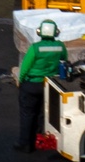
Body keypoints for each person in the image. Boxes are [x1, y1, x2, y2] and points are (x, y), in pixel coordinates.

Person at [14, 19, 67, 153]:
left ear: (39, 32)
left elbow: (25, 66)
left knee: (27, 114)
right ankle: (40, 140)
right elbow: (64, 61)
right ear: (56, 32)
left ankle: (25, 143)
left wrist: (20, 81)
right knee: (43, 114)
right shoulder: (60, 47)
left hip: (31, 84)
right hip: (49, 85)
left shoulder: (35, 48)